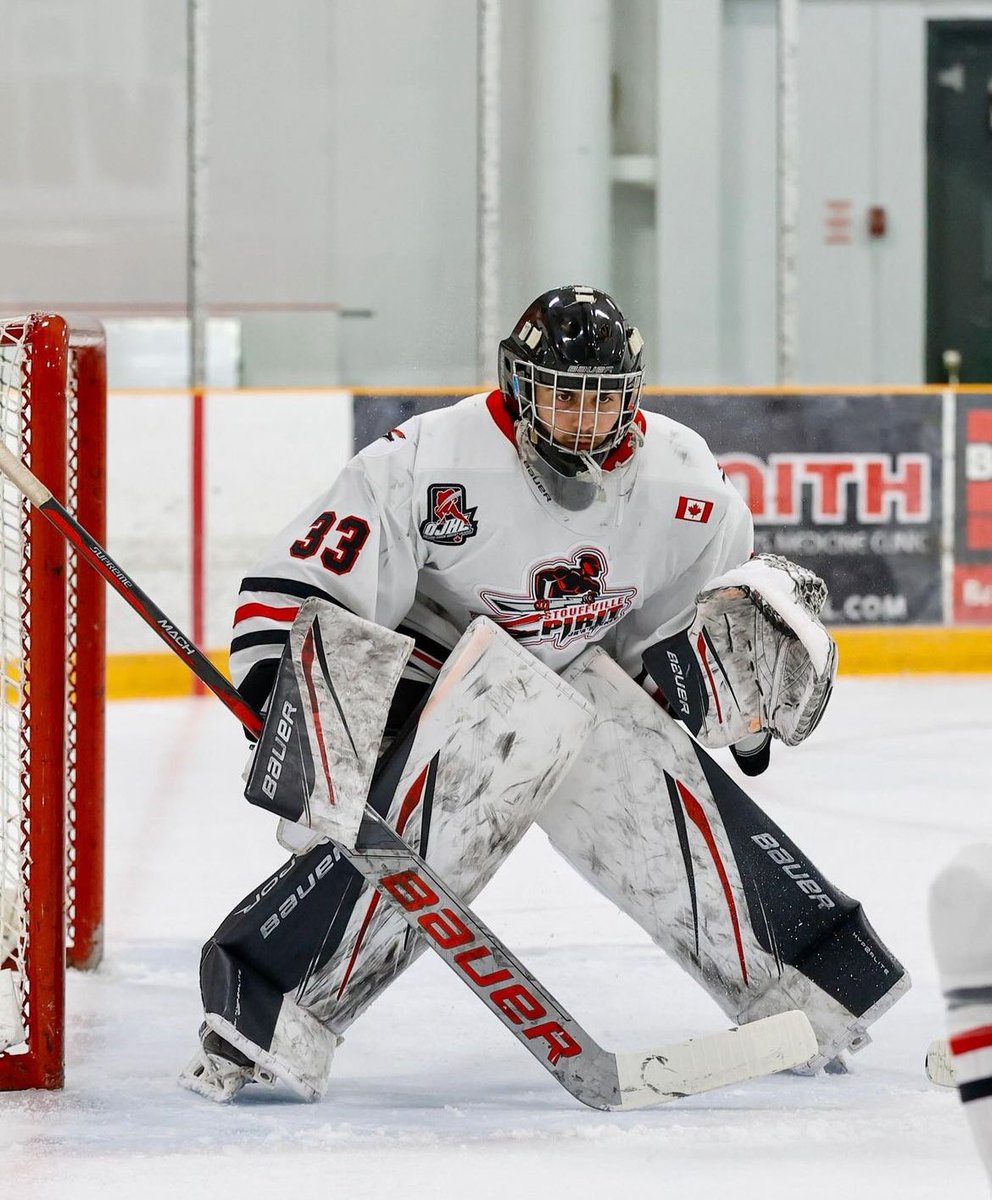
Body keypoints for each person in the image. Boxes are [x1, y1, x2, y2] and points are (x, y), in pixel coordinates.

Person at [180, 284, 908, 1103]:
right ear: (519, 385)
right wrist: (292, 708)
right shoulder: (428, 459)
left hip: (568, 677)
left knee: (635, 760)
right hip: (427, 686)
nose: (584, 420)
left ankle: (810, 979)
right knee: (501, 721)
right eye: (564, 396)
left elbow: (676, 642)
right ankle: (268, 1002)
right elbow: (301, 583)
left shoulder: (686, 482)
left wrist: (736, 712)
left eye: (602, 399)